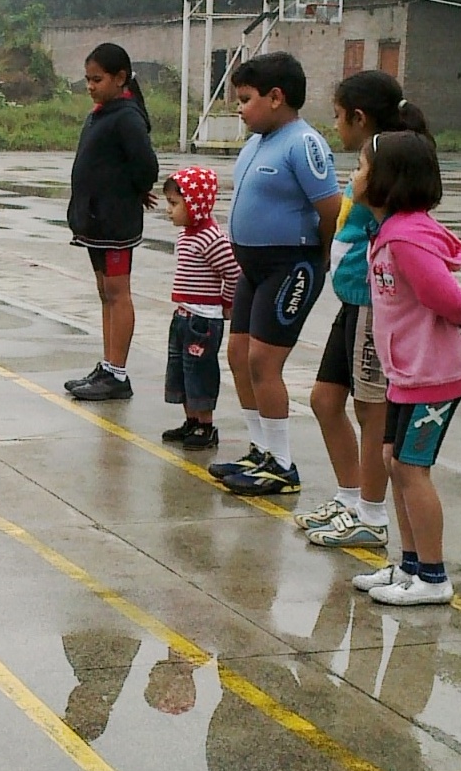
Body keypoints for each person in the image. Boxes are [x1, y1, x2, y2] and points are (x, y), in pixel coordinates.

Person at [351, 131, 461, 605]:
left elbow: (441, 293)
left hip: (433, 375)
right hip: (407, 373)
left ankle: (433, 577)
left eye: (361, 167)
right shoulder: (388, 232)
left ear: (386, 180)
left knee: (411, 468)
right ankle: (410, 565)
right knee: (393, 461)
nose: (353, 175)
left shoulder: (406, 238)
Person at [298, 72, 433, 548]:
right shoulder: (372, 156)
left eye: (338, 116)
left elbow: (398, 228)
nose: (334, 125)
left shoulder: (387, 163)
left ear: (359, 117)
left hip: (374, 306)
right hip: (352, 301)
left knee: (371, 410)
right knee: (324, 399)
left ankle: (372, 516)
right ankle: (350, 497)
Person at [210, 51, 342, 496]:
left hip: (289, 264)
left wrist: (320, 255)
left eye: (246, 99)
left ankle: (282, 465)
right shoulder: (257, 142)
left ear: (276, 97)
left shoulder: (303, 144)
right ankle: (261, 449)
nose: (240, 109)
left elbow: (331, 209)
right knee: (238, 355)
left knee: (263, 362)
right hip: (253, 268)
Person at [63, 43, 159, 401]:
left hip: (115, 223)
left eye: (97, 79)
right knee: (105, 292)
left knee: (118, 294)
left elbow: (146, 166)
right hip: (96, 222)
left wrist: (136, 190)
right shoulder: (103, 112)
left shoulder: (127, 117)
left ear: (120, 78)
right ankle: (107, 365)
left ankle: (118, 374)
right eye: (87, 79)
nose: (90, 86)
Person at [160, 167, 239, 451]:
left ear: (195, 205)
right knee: (181, 369)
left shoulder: (211, 238)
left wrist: (227, 303)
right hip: (184, 314)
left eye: (174, 204)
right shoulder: (186, 235)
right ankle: (191, 420)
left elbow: (233, 272)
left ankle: (205, 425)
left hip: (203, 320)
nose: (168, 210)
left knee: (199, 371)